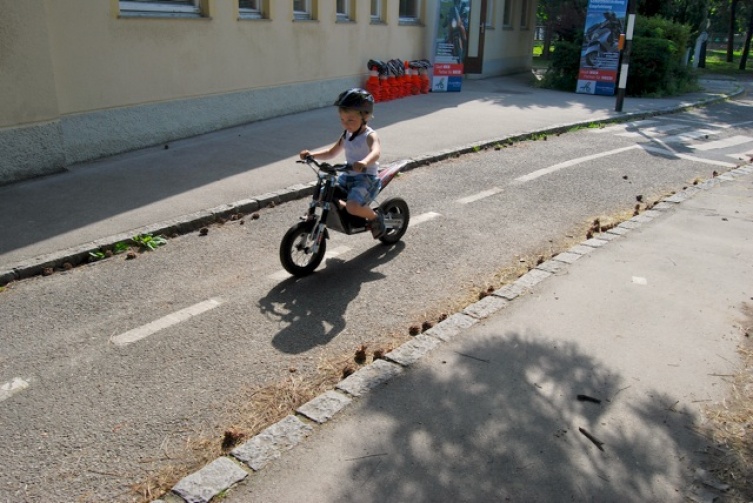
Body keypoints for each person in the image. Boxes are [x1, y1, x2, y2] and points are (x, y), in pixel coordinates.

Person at [299, 88, 386, 238]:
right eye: (342, 120)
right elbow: (331, 152)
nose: (346, 124)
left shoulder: (370, 135)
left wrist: (364, 162)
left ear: (365, 116)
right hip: (348, 176)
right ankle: (317, 218)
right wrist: (312, 155)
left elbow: (376, 152)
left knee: (352, 207)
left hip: (366, 178)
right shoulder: (347, 134)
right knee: (322, 194)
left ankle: (375, 218)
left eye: (350, 120)